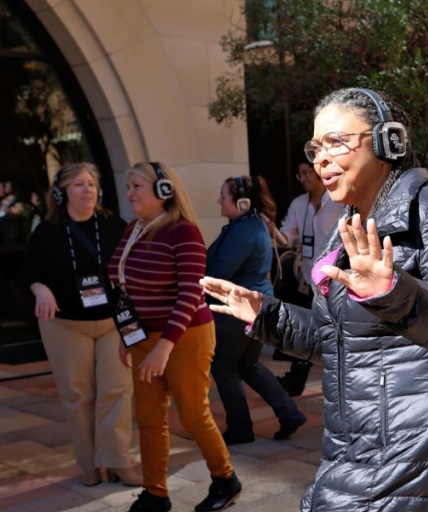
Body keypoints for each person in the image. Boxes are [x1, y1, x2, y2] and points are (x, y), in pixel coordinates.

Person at [201, 88, 428, 511]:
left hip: (426, 459)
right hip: (362, 449)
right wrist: (267, 314)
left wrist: (394, 292)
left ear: (389, 143)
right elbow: (343, 340)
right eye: (315, 147)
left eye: (337, 142)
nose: (320, 158)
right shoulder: (350, 224)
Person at [108, 162, 241, 512]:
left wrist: (163, 348)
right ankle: (155, 493)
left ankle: (225, 478)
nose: (130, 192)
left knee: (193, 415)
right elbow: (125, 287)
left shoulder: (184, 232)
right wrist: (128, 338)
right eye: (128, 186)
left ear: (164, 191)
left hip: (186, 336)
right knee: (149, 418)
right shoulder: (132, 229)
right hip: (143, 337)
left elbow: (189, 295)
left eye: (137, 185)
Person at [18, 162, 138, 487]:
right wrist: (39, 288)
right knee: (78, 395)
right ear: (61, 193)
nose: (87, 189)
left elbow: (134, 266)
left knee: (117, 390)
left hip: (112, 322)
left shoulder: (115, 225)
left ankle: (118, 461)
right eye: (78, 185)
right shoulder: (46, 231)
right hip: (66, 325)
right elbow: (28, 273)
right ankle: (89, 463)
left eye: (91, 184)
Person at [208, 175, 306, 445]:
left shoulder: (244, 230)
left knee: (224, 367)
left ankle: (240, 428)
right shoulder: (247, 225)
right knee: (247, 365)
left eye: (223, 196)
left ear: (241, 202)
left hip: (240, 309)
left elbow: (219, 271)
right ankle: (289, 413)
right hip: (257, 305)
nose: (219, 200)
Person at [264, 161, 345, 396]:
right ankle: (299, 376)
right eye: (299, 174)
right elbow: (287, 239)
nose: (302, 178)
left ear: (319, 172)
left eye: (306, 173)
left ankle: (310, 377)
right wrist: (273, 230)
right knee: (311, 327)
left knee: (329, 328)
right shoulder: (299, 204)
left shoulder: (338, 200)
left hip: (335, 274)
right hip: (308, 277)